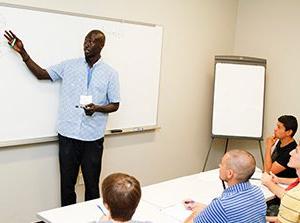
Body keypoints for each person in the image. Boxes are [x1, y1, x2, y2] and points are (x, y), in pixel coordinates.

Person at [4, 30, 120, 206]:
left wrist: (97, 108)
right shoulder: (69, 66)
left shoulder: (110, 73)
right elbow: (42, 74)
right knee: (67, 186)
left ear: (101, 46)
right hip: (68, 136)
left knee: (92, 187)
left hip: (92, 138)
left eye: (92, 41)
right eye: (85, 40)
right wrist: (23, 52)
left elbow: (115, 104)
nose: (87, 44)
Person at [183, 149, 266, 223]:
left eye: (222, 164)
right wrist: (208, 210)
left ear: (229, 173)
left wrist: (196, 213)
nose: (219, 166)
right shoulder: (258, 192)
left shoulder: (221, 205)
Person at [262, 143, 300, 223]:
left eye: (296, 151)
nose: (291, 153)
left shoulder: (293, 196)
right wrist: (279, 180)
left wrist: (268, 183)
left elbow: (268, 169)